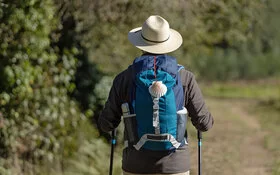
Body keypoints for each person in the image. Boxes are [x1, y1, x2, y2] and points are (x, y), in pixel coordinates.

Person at [98, 15, 214, 175]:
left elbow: (106, 124)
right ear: (168, 43)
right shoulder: (185, 78)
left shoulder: (124, 78)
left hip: (135, 165)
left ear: (141, 44)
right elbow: (204, 124)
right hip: (175, 166)